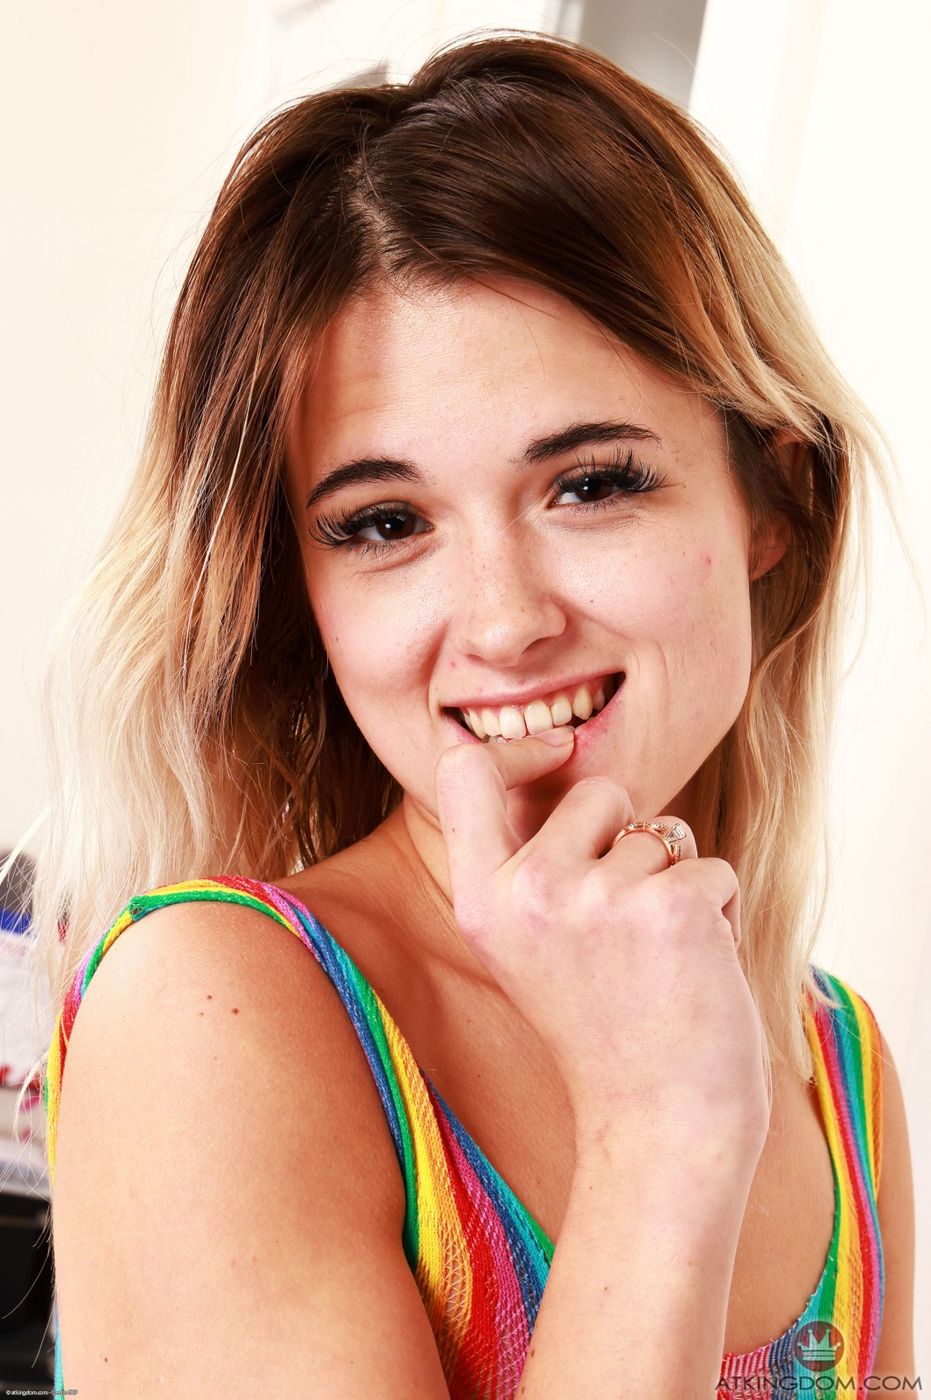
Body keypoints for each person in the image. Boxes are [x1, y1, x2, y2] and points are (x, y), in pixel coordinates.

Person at [24, 29, 916, 1398]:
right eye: (384, 522)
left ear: (774, 501)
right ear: (300, 592)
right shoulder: (211, 1010)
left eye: (593, 484)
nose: (502, 622)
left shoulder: (838, 1068)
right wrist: (658, 1136)